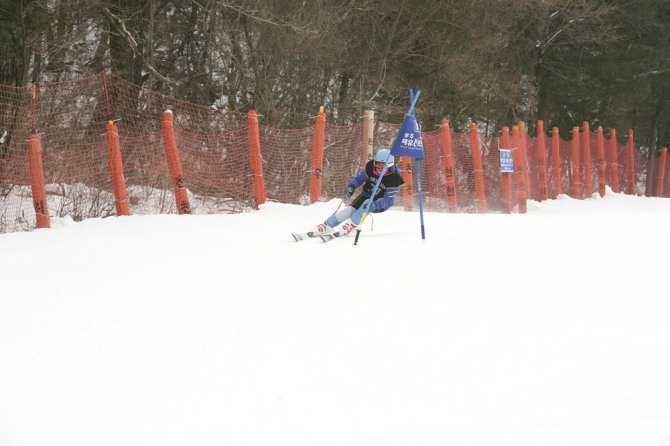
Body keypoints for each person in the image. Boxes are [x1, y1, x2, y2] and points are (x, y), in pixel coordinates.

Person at [312, 148, 405, 236]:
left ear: (389, 165)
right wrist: (351, 186)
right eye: (377, 164)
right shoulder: (370, 168)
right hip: (366, 195)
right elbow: (358, 179)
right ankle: (327, 225)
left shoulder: (394, 179)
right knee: (349, 211)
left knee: (366, 204)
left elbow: (389, 200)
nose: (378, 169)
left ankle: (351, 224)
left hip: (379, 203)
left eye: (382, 166)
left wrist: (375, 204)